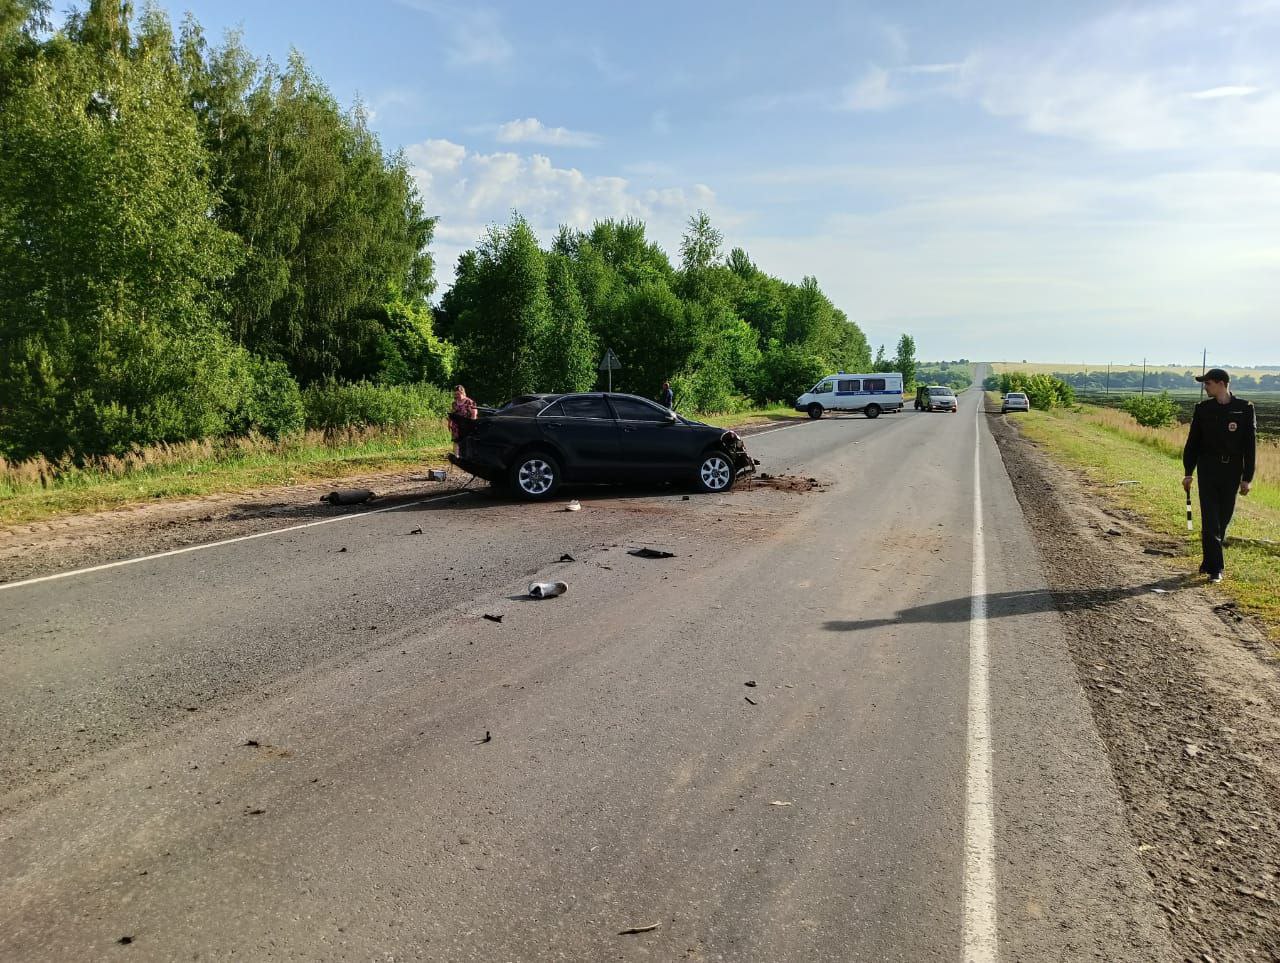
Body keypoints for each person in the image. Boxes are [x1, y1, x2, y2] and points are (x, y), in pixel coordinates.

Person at [1182, 368, 1255, 583]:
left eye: (1208, 383)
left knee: (1223, 520)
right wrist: (1188, 472)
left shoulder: (1244, 408)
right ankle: (1217, 569)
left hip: (1232, 471)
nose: (1205, 387)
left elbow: (1250, 446)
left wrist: (1247, 478)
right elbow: (1192, 443)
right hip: (1208, 469)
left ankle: (1208, 562)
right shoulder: (1203, 409)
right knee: (1211, 519)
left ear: (1221, 383)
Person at [447, 384, 477, 451]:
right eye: (455, 394)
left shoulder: (469, 402)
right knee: (456, 441)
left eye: (458, 394)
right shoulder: (454, 403)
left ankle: (465, 456)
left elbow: (474, 413)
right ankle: (456, 456)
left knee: (466, 441)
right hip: (456, 426)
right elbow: (452, 413)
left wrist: (472, 424)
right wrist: (449, 423)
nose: (457, 396)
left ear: (462, 392)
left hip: (466, 425)